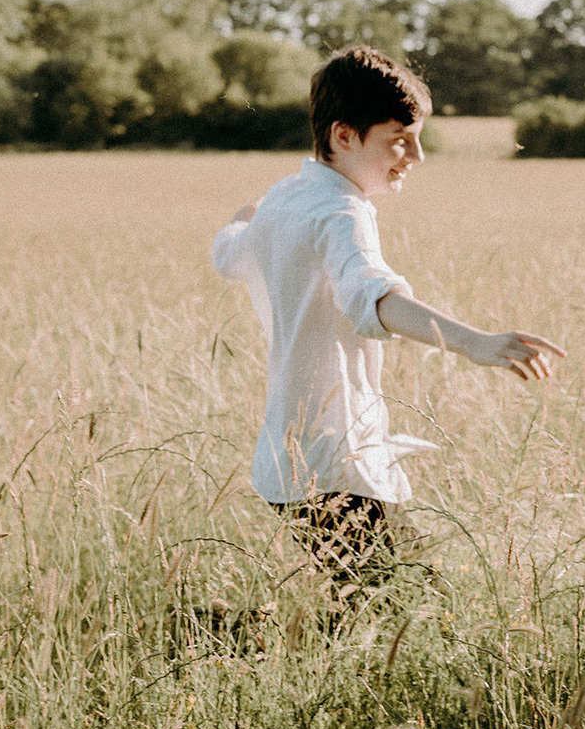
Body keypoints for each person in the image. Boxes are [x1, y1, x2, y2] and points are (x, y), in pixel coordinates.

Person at [212, 45, 563, 591]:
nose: (416, 155)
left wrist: (242, 221)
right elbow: (372, 296)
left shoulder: (286, 197)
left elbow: (229, 255)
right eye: (399, 138)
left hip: (292, 462)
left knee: (382, 601)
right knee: (405, 602)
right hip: (335, 466)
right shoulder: (342, 212)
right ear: (343, 135)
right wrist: (474, 343)